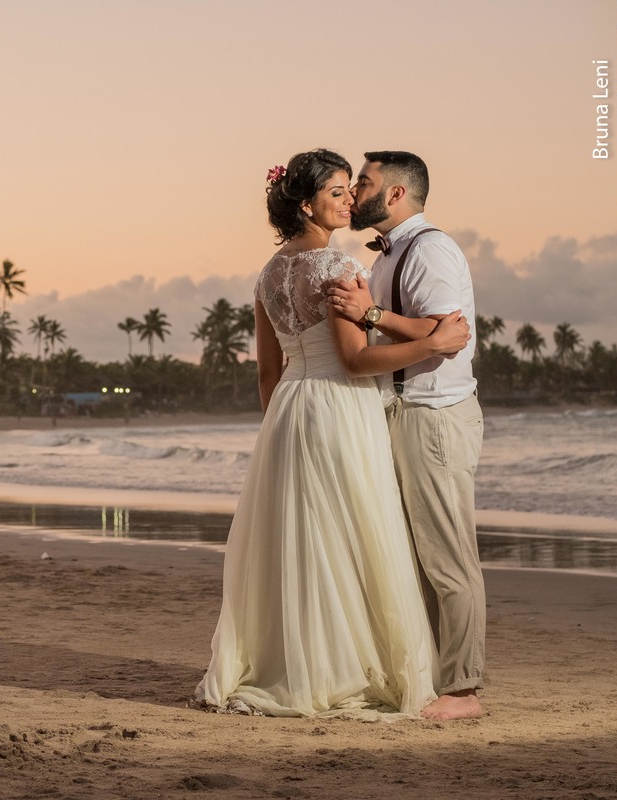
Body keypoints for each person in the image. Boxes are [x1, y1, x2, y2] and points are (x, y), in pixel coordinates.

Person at [194, 149, 471, 719]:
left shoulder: (268, 276)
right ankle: (344, 668)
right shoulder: (337, 269)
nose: (350, 200)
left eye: (352, 188)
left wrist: (281, 430)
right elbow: (353, 363)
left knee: (303, 540)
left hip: (290, 411)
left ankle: (296, 660)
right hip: (342, 407)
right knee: (354, 537)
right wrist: (431, 346)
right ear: (306, 203)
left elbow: (268, 374)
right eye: (339, 191)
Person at [327, 151, 486, 721]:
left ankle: (464, 690)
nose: (353, 194)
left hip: (435, 415)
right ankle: (432, 679)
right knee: (413, 560)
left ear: (394, 194)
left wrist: (370, 316)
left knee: (447, 559)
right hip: (401, 411)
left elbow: (448, 334)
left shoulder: (432, 249)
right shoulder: (389, 255)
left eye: (363, 183)